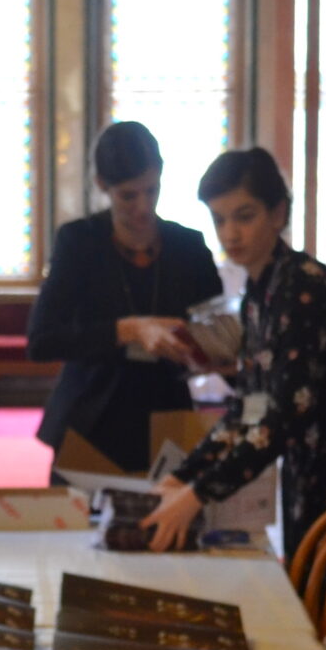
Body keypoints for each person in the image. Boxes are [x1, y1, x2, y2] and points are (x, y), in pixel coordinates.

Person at [144, 149, 326, 615]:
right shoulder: (260, 291)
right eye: (219, 220)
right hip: (312, 476)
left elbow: (283, 417)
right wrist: (182, 477)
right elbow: (247, 408)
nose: (230, 233)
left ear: (277, 213)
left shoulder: (302, 286)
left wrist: (198, 494)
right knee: (311, 622)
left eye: (244, 216)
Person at [27, 121, 225, 477]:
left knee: (170, 513)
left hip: (167, 413)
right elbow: (42, 341)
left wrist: (203, 346)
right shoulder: (79, 242)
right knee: (78, 515)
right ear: (102, 185)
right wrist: (130, 330)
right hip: (92, 413)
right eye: (128, 196)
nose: (143, 207)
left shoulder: (188, 247)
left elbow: (218, 331)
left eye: (152, 190)